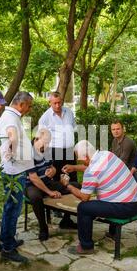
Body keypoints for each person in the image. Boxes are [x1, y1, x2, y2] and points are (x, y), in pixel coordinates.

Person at [60, 140, 137, 255]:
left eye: (79, 159)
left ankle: (86, 247)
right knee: (110, 196)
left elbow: (84, 197)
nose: (79, 161)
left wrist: (67, 185)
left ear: (85, 157)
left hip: (126, 208)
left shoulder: (91, 171)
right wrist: (74, 168)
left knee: (83, 208)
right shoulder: (107, 155)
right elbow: (93, 166)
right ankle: (113, 233)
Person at [0, 91, 34, 263]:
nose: (29, 109)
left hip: (12, 169)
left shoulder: (9, 115)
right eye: (29, 106)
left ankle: (5, 239)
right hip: (14, 171)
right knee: (13, 209)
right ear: (22, 104)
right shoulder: (11, 118)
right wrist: (13, 153)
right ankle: (8, 247)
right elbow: (12, 135)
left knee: (9, 207)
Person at [26, 129, 81, 241]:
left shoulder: (46, 150)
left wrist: (53, 170)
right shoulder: (28, 153)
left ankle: (66, 220)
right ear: (36, 139)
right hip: (31, 185)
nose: (47, 145)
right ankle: (43, 228)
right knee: (35, 197)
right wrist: (50, 192)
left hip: (47, 182)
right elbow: (34, 178)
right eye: (45, 142)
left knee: (75, 185)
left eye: (48, 142)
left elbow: (52, 167)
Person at [38, 91, 78, 229]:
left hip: (69, 151)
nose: (57, 105)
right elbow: (42, 139)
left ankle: (67, 218)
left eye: (60, 102)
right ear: (50, 102)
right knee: (57, 182)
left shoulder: (69, 112)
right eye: (54, 103)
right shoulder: (45, 118)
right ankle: (56, 210)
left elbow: (72, 129)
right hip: (54, 151)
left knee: (72, 181)